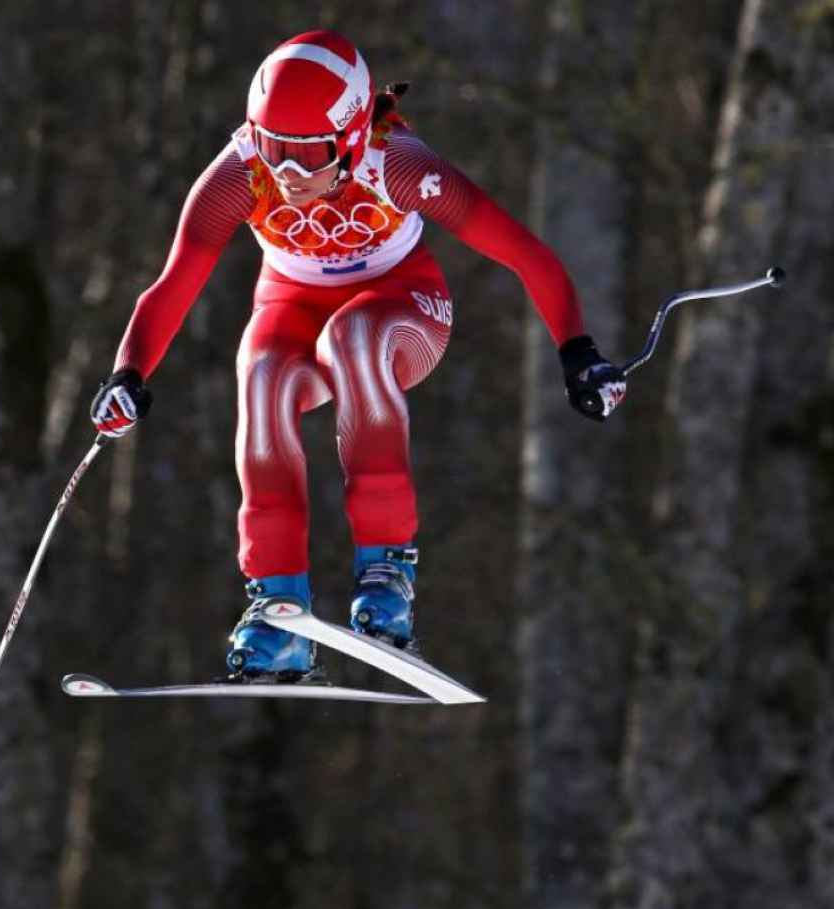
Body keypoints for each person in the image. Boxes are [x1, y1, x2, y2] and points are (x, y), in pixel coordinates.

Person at [90, 29, 627, 682]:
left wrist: (579, 352)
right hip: (290, 305)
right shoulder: (238, 177)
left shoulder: (398, 165)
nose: (286, 176)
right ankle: (277, 605)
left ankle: (386, 571)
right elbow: (172, 285)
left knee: (354, 340)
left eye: (306, 154)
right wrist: (127, 374)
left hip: (402, 306)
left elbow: (525, 255)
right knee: (262, 377)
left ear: (347, 139)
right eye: (273, 149)